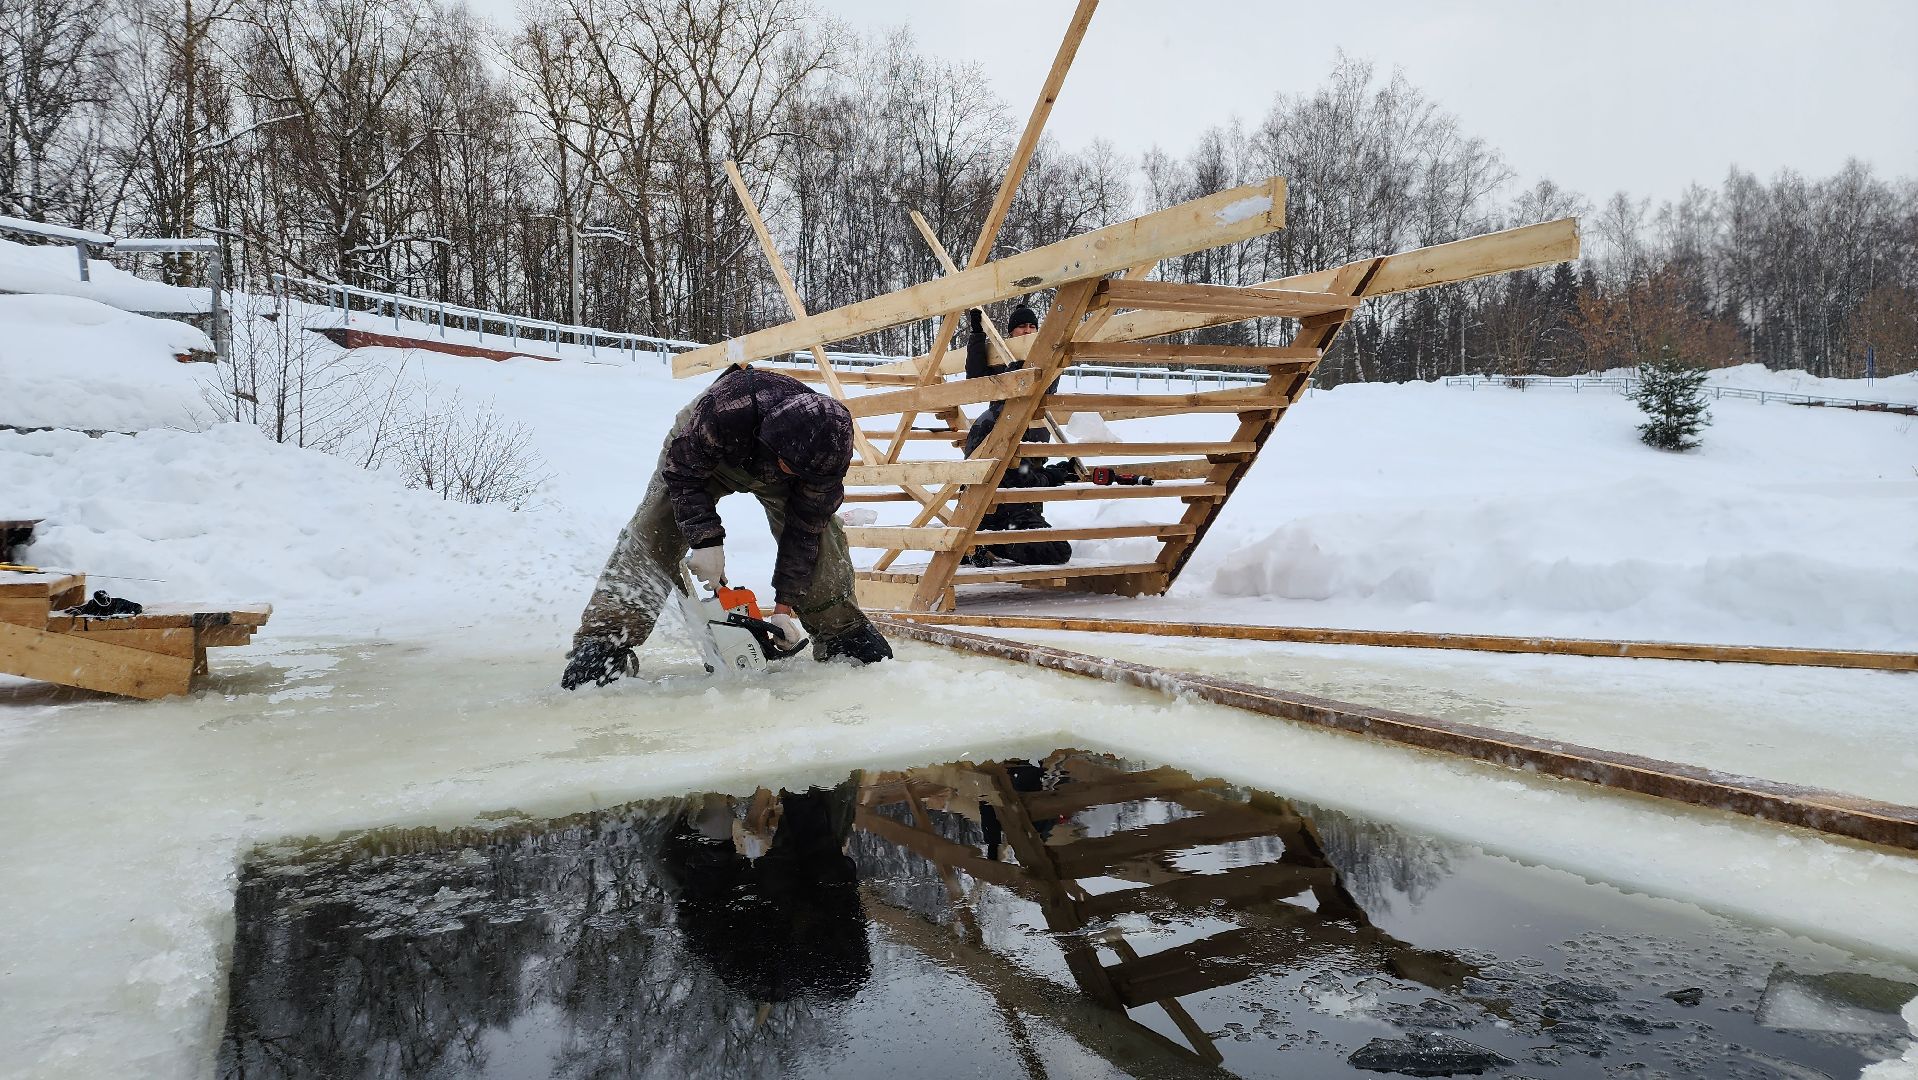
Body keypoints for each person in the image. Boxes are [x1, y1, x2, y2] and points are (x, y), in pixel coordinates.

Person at [562, 365, 892, 689]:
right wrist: (705, 539)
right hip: (704, 451)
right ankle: (605, 645)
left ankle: (843, 635)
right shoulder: (726, 410)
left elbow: (803, 535)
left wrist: (782, 609)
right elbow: (683, 475)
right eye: (786, 465)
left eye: (798, 472)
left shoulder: (823, 463)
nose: (787, 473)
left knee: (823, 543)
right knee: (655, 530)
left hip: (779, 457)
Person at [963, 304, 1073, 566]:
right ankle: (994, 541)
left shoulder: (1038, 421)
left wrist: (1053, 473)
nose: (1028, 331)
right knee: (1057, 551)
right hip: (1005, 508)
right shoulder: (994, 423)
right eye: (1022, 327)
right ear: (1011, 333)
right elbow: (975, 375)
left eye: (1033, 327)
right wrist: (977, 336)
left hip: (1022, 505)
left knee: (1052, 545)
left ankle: (988, 541)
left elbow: (1047, 383)